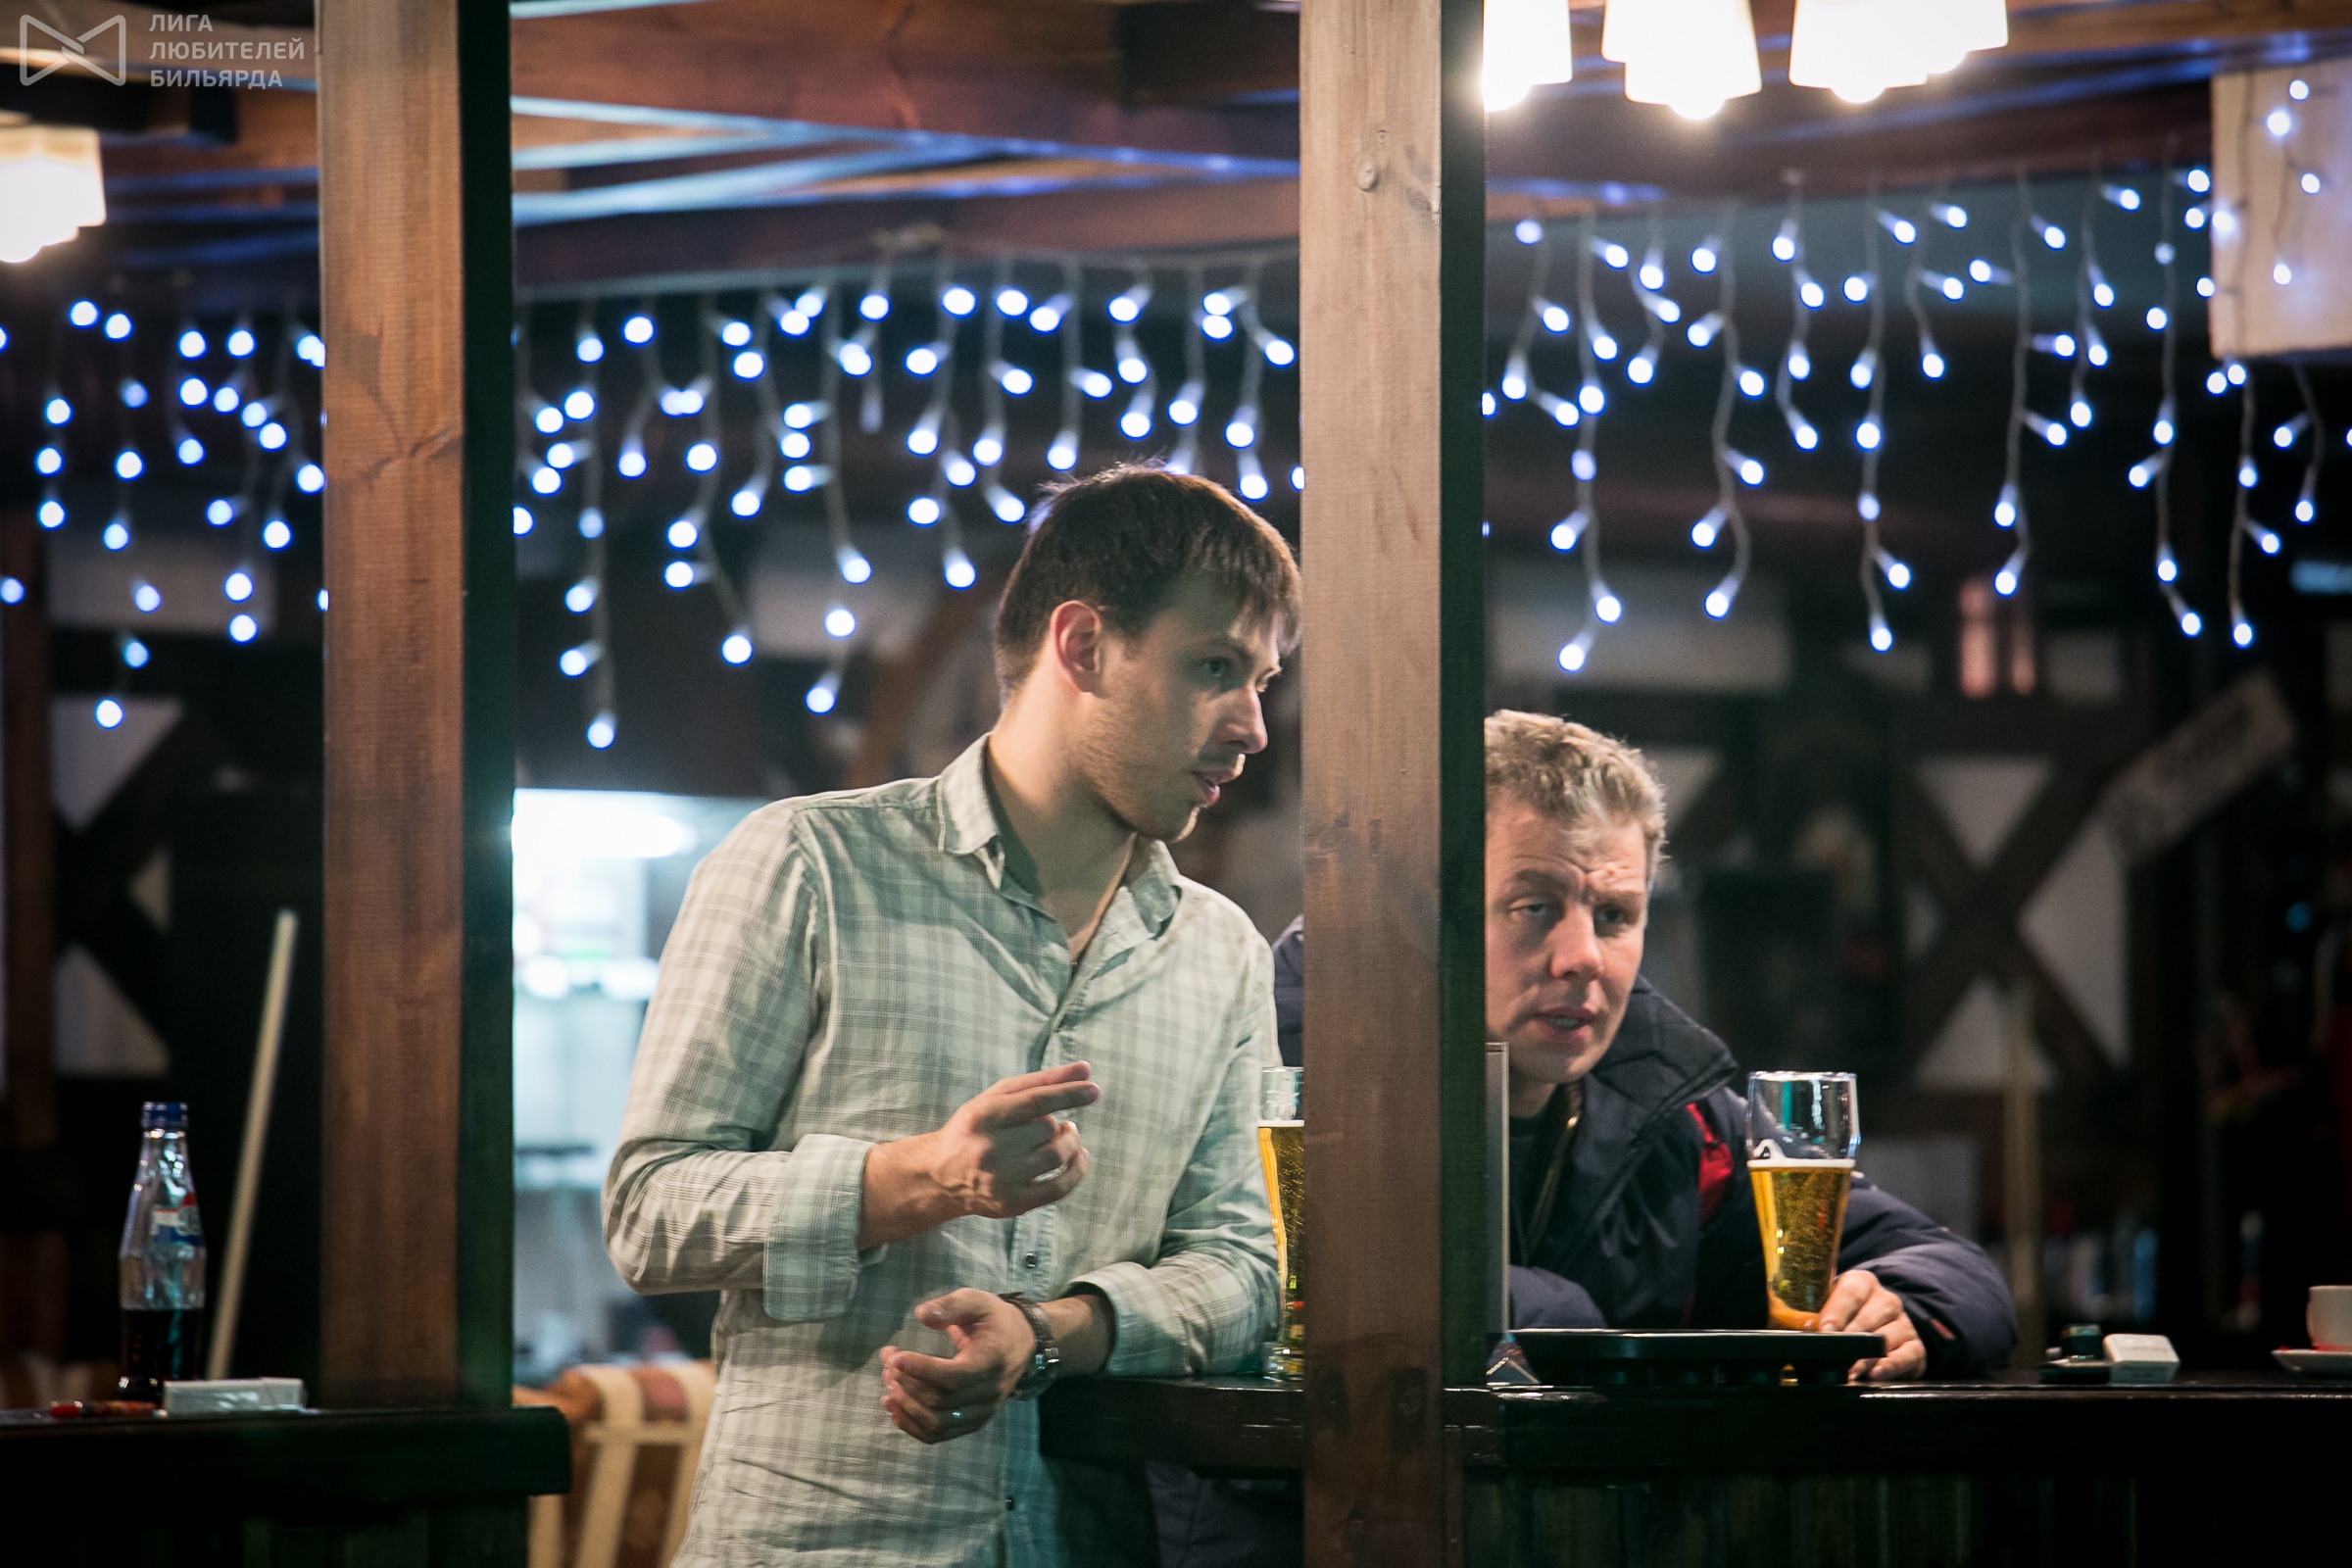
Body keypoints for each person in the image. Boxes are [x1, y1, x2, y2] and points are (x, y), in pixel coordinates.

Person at [606, 465, 1298, 1566]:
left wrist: (1051, 1334)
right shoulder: (810, 864)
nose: (1254, 725)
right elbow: (650, 1210)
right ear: (1083, 645)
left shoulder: (1219, 951)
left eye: (1263, 679)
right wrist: (918, 1178)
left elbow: (1247, 1267)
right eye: (1215, 667)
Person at [1274, 711, 2018, 1375]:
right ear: (1427, 911)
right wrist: (1570, 1322)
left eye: (1614, 916)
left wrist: (1903, 1310)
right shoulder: (1291, 1078)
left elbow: (1957, 1270)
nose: (1583, 958)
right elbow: (1347, 1276)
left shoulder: (1677, 1112)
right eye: (1534, 907)